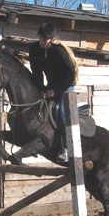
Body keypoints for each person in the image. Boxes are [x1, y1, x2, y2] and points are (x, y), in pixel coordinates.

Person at [29, 22, 78, 161]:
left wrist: (55, 91)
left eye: (46, 39)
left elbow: (70, 75)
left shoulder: (59, 51)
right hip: (51, 85)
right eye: (41, 38)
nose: (43, 41)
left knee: (62, 112)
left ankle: (67, 148)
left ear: (52, 39)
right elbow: (36, 73)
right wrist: (41, 89)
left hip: (66, 85)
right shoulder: (34, 50)